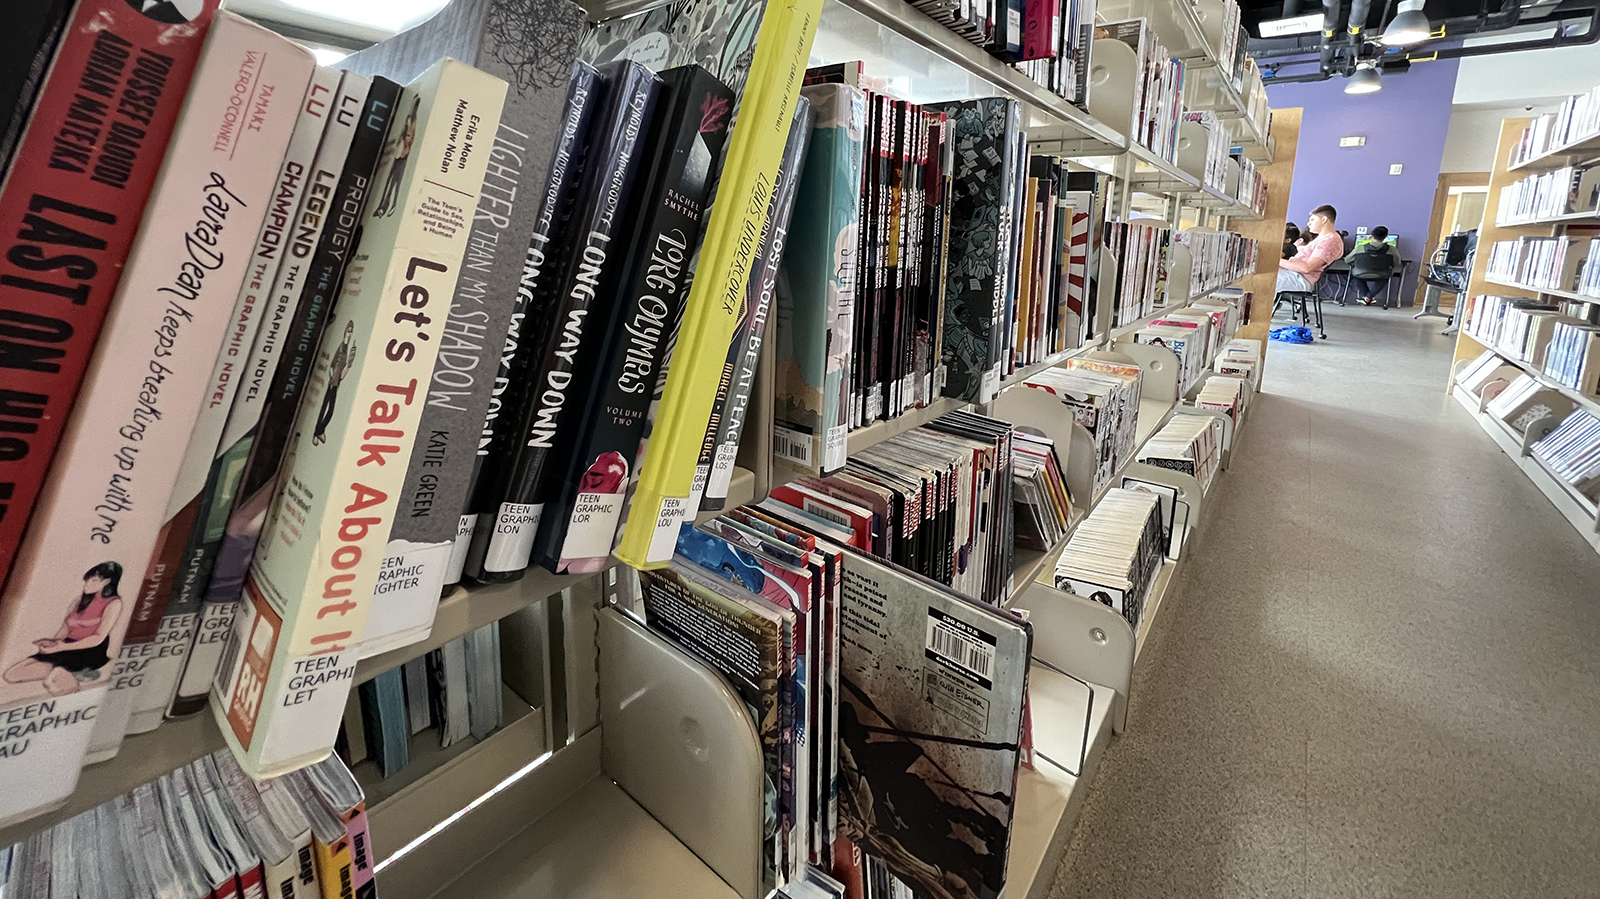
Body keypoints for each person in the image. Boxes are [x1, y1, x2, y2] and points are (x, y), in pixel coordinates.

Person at [4, 562, 125, 695]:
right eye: (88, 579)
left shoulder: (113, 603)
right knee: (11, 675)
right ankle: (72, 672)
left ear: (106, 582)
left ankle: (70, 674)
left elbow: (98, 638)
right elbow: (64, 629)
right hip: (66, 645)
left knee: (52, 684)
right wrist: (52, 644)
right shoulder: (79, 601)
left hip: (90, 650)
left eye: (94, 580)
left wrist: (61, 647)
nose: (88, 583)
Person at [1278, 205, 1344, 294]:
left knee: (1263, 279)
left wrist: (1277, 261)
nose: (1309, 223)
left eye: (1312, 220)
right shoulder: (1322, 238)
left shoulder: (1329, 241)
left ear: (1324, 219)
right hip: (1294, 274)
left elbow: (1307, 268)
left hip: (1300, 278)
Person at [1344, 225, 1403, 307]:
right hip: (1382, 274)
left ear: (1372, 236)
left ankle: (1366, 297)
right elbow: (1397, 262)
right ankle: (1368, 297)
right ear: (1385, 237)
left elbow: (1347, 260)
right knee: (1385, 278)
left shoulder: (1360, 247)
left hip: (1361, 273)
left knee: (1356, 276)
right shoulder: (1392, 249)